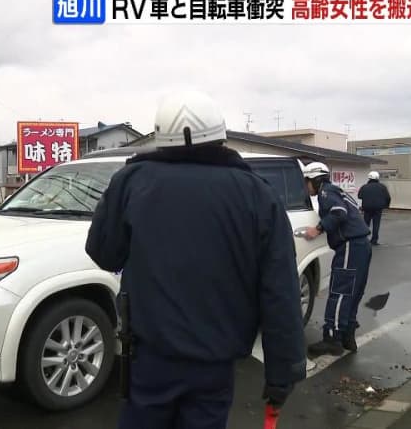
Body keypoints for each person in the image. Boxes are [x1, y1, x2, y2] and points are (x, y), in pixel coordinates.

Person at [85, 90, 306, 429]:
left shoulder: (132, 182)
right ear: (220, 135)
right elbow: (280, 291)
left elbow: (103, 252)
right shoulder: (257, 194)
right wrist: (282, 374)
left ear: (162, 138)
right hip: (215, 363)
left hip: (148, 357)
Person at [302, 163, 372, 356]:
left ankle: (332, 339)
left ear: (315, 180)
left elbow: (338, 213)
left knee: (340, 291)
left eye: (306, 182)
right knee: (353, 292)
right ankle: (347, 335)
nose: (306, 187)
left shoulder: (326, 192)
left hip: (350, 245)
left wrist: (317, 229)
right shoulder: (338, 191)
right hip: (361, 244)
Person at [357, 171, 391, 245]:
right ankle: (374, 240)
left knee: (366, 223)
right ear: (377, 178)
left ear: (369, 178)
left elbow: (359, 196)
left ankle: (364, 238)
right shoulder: (382, 187)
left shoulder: (364, 187)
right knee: (376, 224)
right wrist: (386, 206)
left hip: (367, 208)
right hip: (378, 208)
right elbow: (388, 197)